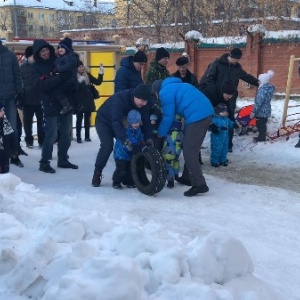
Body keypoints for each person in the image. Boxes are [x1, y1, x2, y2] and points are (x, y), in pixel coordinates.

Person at [152, 78, 214, 197]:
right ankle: (187, 177)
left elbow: (168, 117)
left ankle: (200, 184)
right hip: (205, 112)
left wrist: (159, 135)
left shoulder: (164, 92)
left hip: (198, 116)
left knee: (189, 151)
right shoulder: (177, 86)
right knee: (191, 148)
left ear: (156, 91)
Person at [91, 84, 154, 187]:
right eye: (142, 100)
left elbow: (146, 122)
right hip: (105, 122)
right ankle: (97, 172)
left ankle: (128, 177)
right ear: (135, 96)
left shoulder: (143, 104)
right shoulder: (120, 99)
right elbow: (116, 122)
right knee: (107, 146)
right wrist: (124, 139)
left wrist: (149, 138)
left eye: (146, 101)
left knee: (133, 146)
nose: (144, 103)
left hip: (124, 122)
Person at [31, 39, 78, 173]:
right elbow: (41, 86)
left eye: (47, 50)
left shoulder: (57, 61)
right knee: (51, 135)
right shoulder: (35, 67)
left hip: (65, 102)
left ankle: (63, 159)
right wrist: (60, 78)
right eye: (42, 51)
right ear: (37, 54)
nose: (45, 53)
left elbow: (69, 74)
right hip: (50, 103)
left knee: (65, 134)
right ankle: (44, 162)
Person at [199, 48, 259, 152]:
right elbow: (209, 78)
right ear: (229, 56)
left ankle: (228, 144)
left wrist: (259, 82)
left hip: (230, 97)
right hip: (216, 96)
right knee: (213, 117)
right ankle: (211, 141)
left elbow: (246, 77)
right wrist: (214, 92)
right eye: (234, 58)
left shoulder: (237, 69)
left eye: (237, 59)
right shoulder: (217, 63)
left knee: (229, 118)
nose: (235, 61)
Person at [0, 40, 24, 167]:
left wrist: (19, 92)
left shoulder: (10, 55)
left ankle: (14, 155)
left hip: (9, 97)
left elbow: (17, 74)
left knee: (13, 128)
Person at [112, 109, 145, 189]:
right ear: (130, 122)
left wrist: (143, 142)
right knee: (121, 170)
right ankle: (116, 182)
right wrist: (137, 144)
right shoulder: (126, 130)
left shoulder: (137, 129)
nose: (136, 125)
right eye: (134, 123)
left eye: (138, 122)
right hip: (121, 154)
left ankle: (129, 182)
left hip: (130, 154)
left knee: (130, 169)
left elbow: (140, 137)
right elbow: (131, 139)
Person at [20, 46, 44, 148]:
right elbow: (19, 83)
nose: (34, 58)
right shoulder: (22, 68)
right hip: (27, 99)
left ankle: (41, 140)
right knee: (27, 122)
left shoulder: (41, 67)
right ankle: (29, 140)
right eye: (32, 56)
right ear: (28, 57)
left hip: (40, 99)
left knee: (41, 122)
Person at [76, 61, 104, 143]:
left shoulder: (87, 75)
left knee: (87, 120)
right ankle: (78, 137)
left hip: (88, 100)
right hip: (79, 101)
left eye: (82, 66)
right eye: (79, 67)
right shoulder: (74, 77)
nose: (81, 68)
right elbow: (73, 89)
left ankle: (87, 136)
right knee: (79, 120)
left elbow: (98, 82)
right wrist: (79, 82)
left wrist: (101, 72)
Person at [54, 37, 79, 115]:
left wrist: (57, 70)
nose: (60, 49)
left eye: (62, 48)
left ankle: (67, 105)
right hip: (67, 80)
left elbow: (67, 67)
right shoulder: (61, 58)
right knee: (70, 94)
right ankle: (75, 106)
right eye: (59, 48)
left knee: (58, 91)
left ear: (67, 49)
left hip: (69, 80)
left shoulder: (70, 57)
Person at [250, 70, 275, 142]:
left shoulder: (262, 90)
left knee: (260, 125)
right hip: (266, 109)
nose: (258, 82)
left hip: (261, 110)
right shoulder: (268, 89)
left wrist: (253, 111)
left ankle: (261, 138)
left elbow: (259, 102)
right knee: (263, 124)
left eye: (259, 81)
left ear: (263, 81)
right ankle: (262, 136)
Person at [161, 114, 184, 188]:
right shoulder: (180, 131)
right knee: (175, 162)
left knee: (168, 165)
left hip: (169, 151)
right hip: (177, 151)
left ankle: (170, 181)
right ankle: (176, 175)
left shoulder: (170, 131)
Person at [0, 103, 16, 173]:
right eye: (1, 111)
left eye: (3, 110)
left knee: (5, 169)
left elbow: (9, 136)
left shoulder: (4, 122)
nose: (3, 112)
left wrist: (11, 150)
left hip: (5, 152)